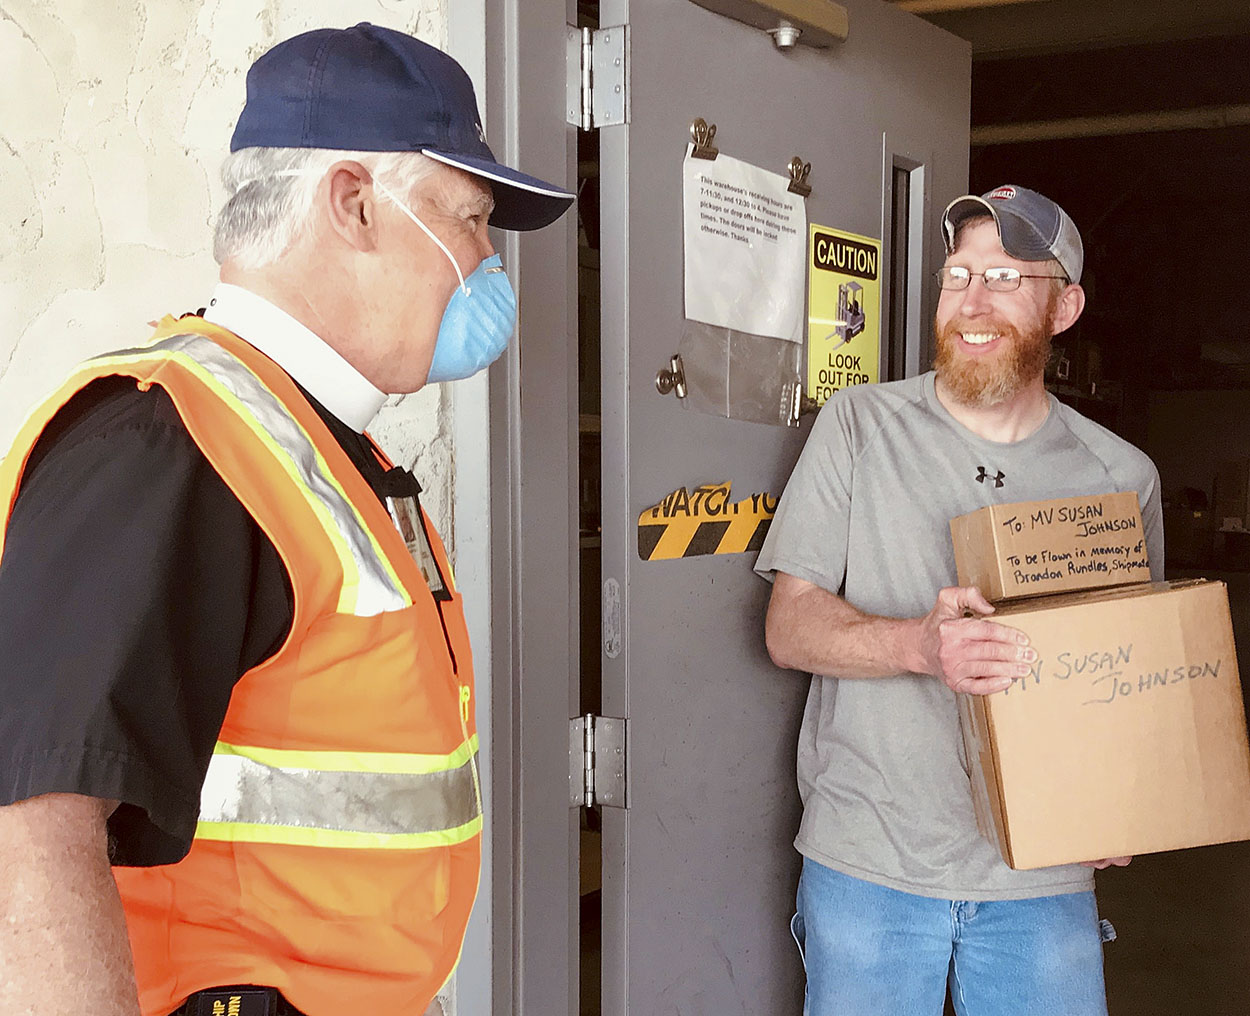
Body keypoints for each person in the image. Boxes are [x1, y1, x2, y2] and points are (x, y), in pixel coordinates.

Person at [0, 23, 572, 1016]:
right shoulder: (166, 443)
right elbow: (30, 831)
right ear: (353, 204)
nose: (486, 261)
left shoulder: (319, 446)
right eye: (472, 219)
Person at [755, 184, 1163, 1016]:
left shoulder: (1120, 475)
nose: (971, 304)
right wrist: (917, 648)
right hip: (871, 862)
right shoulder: (860, 427)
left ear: (1065, 305)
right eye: (957, 276)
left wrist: (1128, 801)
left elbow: (1134, 671)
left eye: (1008, 278)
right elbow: (788, 627)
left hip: (1041, 871)